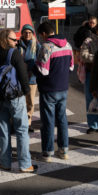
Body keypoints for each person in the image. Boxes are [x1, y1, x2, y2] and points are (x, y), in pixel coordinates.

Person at [0, 29, 36, 173]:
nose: (16, 42)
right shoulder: (14, 54)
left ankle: (5, 162)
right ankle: (25, 164)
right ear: (6, 39)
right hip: (15, 97)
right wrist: (25, 93)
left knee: (3, 130)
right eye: (14, 40)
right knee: (21, 130)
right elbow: (23, 76)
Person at [35, 21, 74, 162]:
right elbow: (71, 67)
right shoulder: (68, 45)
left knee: (48, 121)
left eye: (41, 35)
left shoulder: (46, 47)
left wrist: (34, 66)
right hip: (63, 87)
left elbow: (43, 70)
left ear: (44, 34)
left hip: (49, 89)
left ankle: (47, 152)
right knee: (62, 119)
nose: (41, 38)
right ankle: (63, 151)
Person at [80, 22, 98, 133]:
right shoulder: (88, 41)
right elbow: (83, 55)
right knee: (91, 99)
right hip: (91, 73)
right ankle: (92, 124)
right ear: (96, 30)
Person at [18, 24, 41, 133]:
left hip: (32, 78)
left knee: (30, 102)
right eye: (25, 32)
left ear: (32, 34)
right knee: (19, 101)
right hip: (19, 78)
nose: (27, 34)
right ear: (22, 33)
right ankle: (18, 122)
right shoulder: (17, 45)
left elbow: (41, 60)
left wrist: (34, 69)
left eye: (29, 33)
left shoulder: (36, 45)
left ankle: (28, 123)